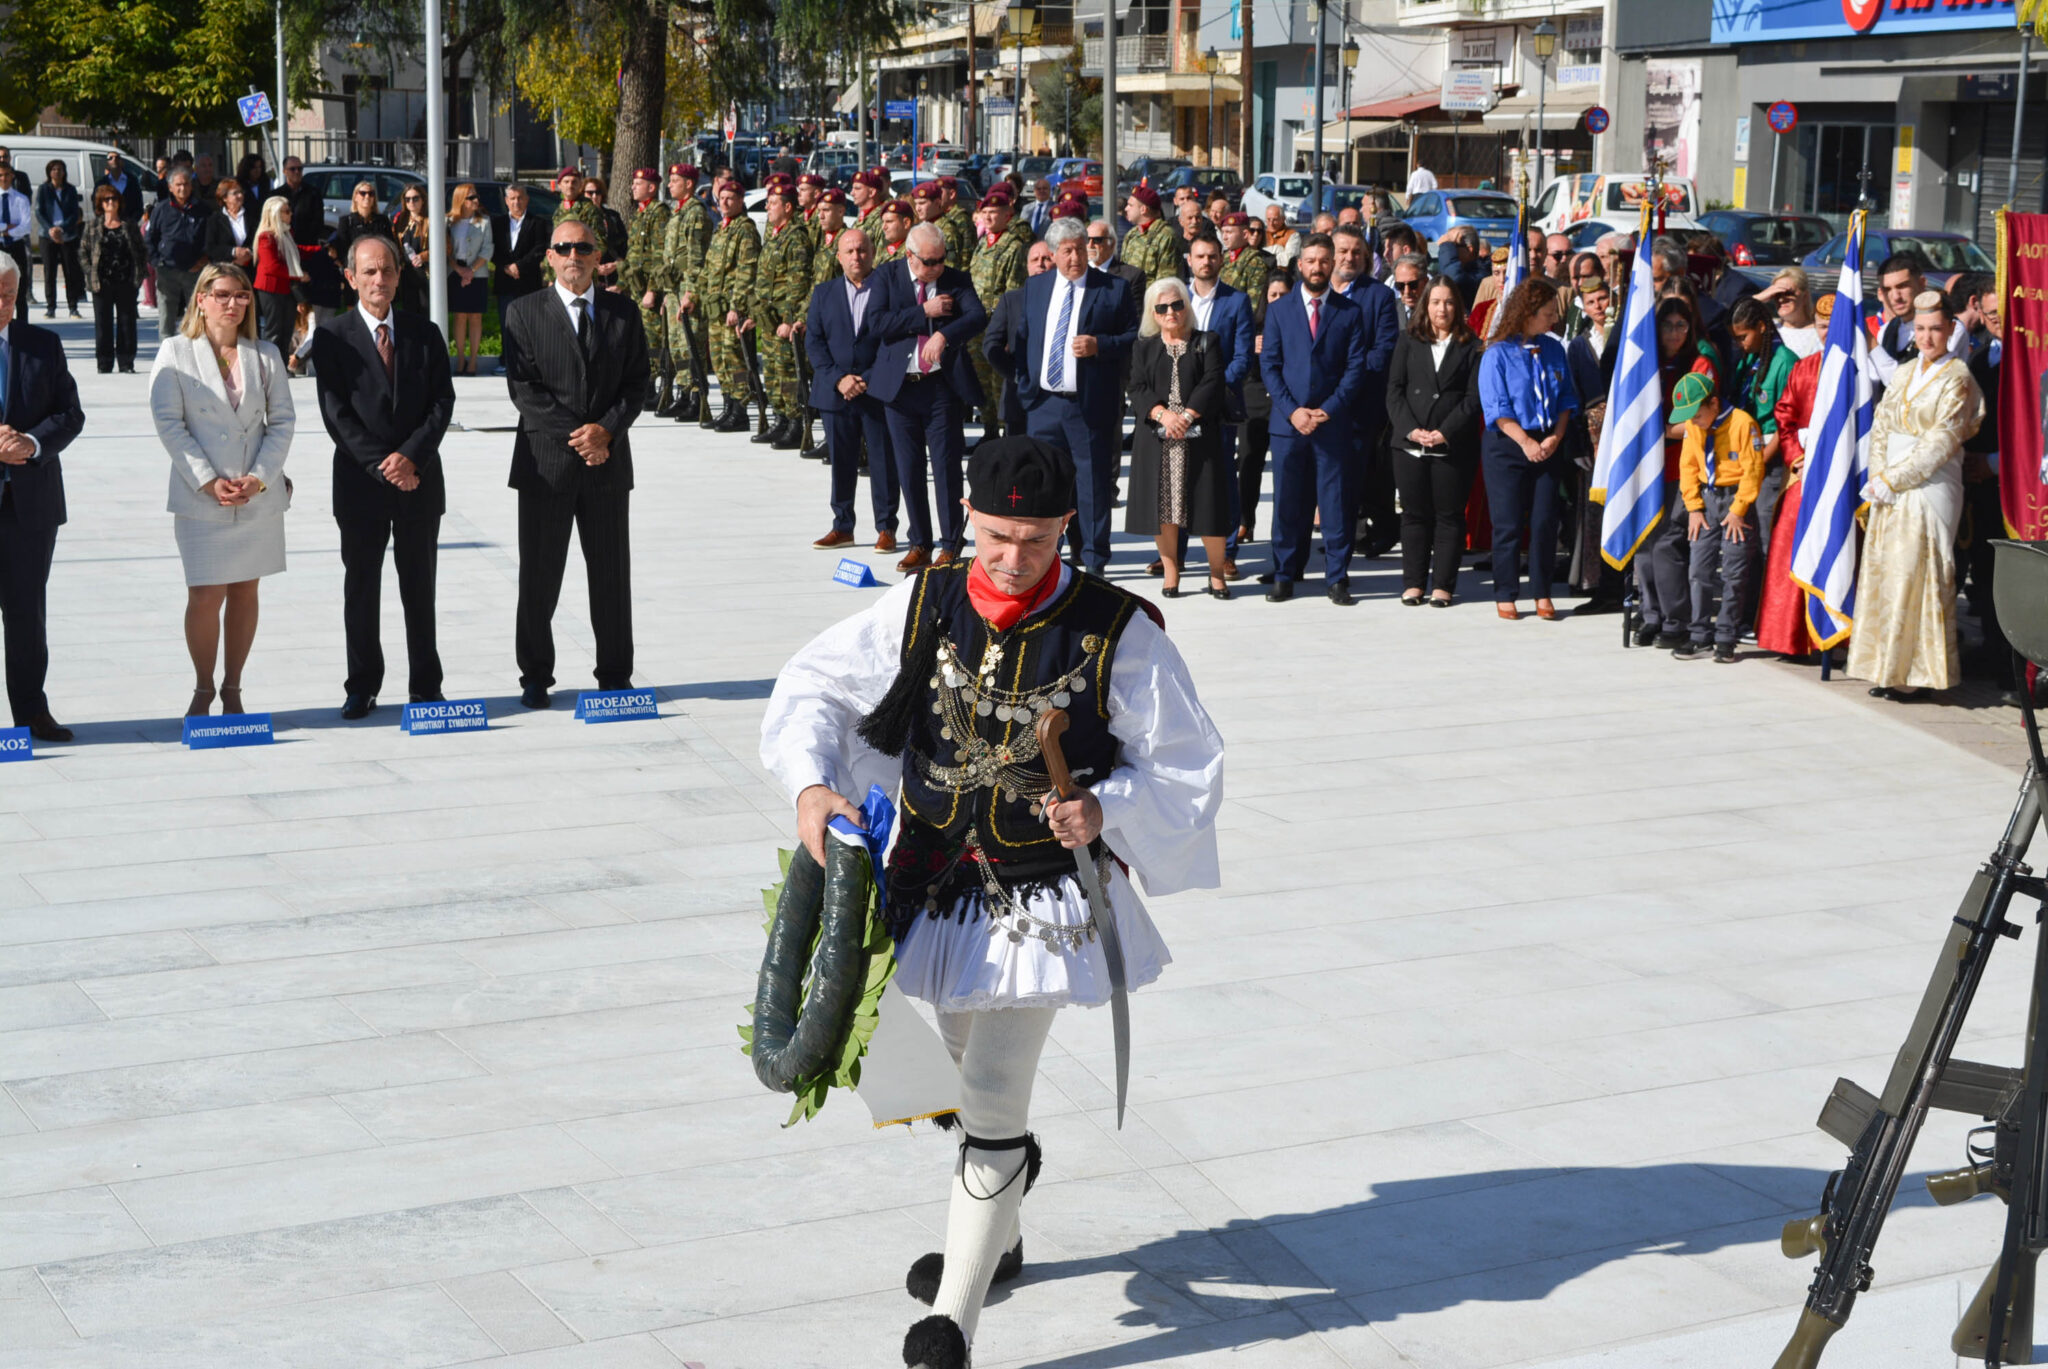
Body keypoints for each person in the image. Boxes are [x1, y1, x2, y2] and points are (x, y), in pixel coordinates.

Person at [760, 434, 1223, 1369]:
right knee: (962, 1070)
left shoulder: (1118, 630)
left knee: (995, 1091)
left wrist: (1105, 806)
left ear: (1068, 526)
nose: (1014, 559)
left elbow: (1185, 764)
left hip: (1044, 898)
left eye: (1038, 540)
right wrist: (811, 784)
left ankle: (953, 1326)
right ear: (968, 518)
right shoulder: (924, 600)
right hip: (932, 882)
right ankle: (999, 1226)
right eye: (998, 537)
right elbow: (816, 684)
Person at [500, 218, 648, 706]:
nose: (573, 256)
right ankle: (535, 675)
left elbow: (637, 384)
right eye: (563, 248)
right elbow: (524, 390)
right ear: (549, 256)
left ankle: (615, 674)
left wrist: (607, 431)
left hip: (608, 463)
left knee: (611, 576)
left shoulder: (623, 312)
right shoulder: (523, 312)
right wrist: (581, 437)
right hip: (546, 466)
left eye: (583, 248)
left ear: (596, 256)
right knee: (539, 578)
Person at [309, 235, 456, 720]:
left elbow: (441, 402)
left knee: (421, 587)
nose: (379, 279)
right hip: (361, 485)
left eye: (387, 270)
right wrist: (384, 465)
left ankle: (426, 687)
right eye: (369, 271)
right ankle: (362, 685)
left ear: (398, 274)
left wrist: (411, 458)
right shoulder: (332, 336)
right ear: (351, 277)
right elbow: (336, 414)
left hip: (419, 480)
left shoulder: (424, 333)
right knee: (362, 588)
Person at [147, 263, 295, 718]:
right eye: (223, 295)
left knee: (246, 592)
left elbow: (282, 422)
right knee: (205, 595)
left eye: (242, 295)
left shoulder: (265, 354)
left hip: (256, 496)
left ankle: (233, 689)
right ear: (201, 299)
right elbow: (169, 424)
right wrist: (208, 480)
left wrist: (260, 477)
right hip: (201, 497)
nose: (234, 304)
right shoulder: (175, 352)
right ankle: (203, 688)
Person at [1847, 289, 1986, 699]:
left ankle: (1919, 674)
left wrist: (1892, 479)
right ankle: (1887, 668)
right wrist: (1878, 475)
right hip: (1890, 484)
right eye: (1921, 329)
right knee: (1888, 569)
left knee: (1920, 571)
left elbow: (1942, 440)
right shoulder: (1906, 371)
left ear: (1950, 329)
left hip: (1930, 484)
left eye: (1935, 329)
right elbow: (1883, 424)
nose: (1927, 337)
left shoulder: (1958, 376)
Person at [990, 216, 1137, 576]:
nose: (1076, 257)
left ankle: (1095, 559)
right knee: (1045, 484)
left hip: (1088, 405)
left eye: (1081, 248)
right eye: (1068, 250)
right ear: (1054, 254)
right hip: (1044, 405)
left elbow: (1134, 336)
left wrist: (1100, 345)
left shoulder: (1112, 289)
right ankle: (1047, 555)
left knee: (1092, 485)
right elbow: (1023, 339)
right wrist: (1026, 383)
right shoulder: (1036, 287)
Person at [864, 222, 987, 570]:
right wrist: (923, 313)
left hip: (940, 388)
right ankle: (920, 542)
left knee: (946, 467)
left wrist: (945, 335)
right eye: (929, 262)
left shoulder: (955, 279)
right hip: (900, 389)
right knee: (909, 468)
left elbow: (977, 316)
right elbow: (876, 323)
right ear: (910, 256)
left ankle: (951, 544)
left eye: (940, 260)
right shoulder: (887, 276)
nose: (936, 268)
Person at [0, 255, 86, 742]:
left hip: (30, 504)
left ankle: (31, 712)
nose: (2, 304)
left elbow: (69, 414)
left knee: (27, 613)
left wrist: (30, 444)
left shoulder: (42, 345)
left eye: (9, 295)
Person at [1257, 233, 1369, 604]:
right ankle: (1285, 574)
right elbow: (1270, 366)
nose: (1317, 267)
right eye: (1311, 260)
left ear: (1332, 264)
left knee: (1334, 504)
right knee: (1287, 504)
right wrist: (1293, 411)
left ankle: (1337, 578)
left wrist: (1328, 409)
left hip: (1331, 423)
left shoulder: (1349, 312)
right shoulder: (1279, 310)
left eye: (1323, 260)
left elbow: (1355, 368)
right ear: (1299, 264)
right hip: (1288, 425)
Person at [1477, 278, 1578, 621]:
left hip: (1547, 443)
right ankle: (1505, 592)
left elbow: (1566, 399)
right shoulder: (1497, 354)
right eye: (1547, 313)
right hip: (1509, 444)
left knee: (1545, 520)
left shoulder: (1554, 349)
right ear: (1527, 313)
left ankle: (1542, 591)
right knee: (1507, 522)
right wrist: (1526, 442)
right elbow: (1497, 408)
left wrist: (1555, 438)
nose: (1553, 319)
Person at [1127, 277, 1230, 597]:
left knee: (1209, 508)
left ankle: (1217, 574)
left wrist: (1185, 416)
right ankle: (1171, 571)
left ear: (1186, 306)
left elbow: (1213, 381)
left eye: (1176, 305)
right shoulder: (1143, 346)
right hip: (1159, 441)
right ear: (1153, 313)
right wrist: (1163, 415)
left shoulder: (1207, 340)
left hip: (1199, 438)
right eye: (1162, 308)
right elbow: (1137, 387)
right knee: (1165, 510)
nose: (1170, 312)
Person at [1386, 276, 1482, 607]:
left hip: (1452, 445)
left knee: (1448, 516)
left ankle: (1443, 585)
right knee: (1414, 514)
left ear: (1458, 306)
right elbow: (1394, 391)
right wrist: (1411, 430)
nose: (1442, 309)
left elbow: (1473, 398)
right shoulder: (1408, 340)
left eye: (1449, 302)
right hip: (1410, 444)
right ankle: (1413, 583)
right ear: (1426, 305)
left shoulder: (1472, 345)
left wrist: (1445, 432)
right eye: (1436, 302)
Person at [1633, 296, 1719, 648]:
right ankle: (1650, 614)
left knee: (1667, 542)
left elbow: (1702, 417)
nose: (1674, 333)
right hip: (1645, 464)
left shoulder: (1699, 364)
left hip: (1680, 465)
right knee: (1643, 543)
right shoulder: (1645, 361)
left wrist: (1664, 431)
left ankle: (1675, 619)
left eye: (1681, 325)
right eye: (1667, 326)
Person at [806, 227, 899, 552]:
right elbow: (814, 343)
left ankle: (886, 528)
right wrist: (839, 379)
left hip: (877, 392)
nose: (856, 256)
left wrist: (867, 378)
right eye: (849, 251)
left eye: (862, 250)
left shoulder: (890, 291)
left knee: (883, 462)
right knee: (841, 463)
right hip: (836, 394)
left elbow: (894, 340)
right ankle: (842, 526)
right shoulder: (824, 293)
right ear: (839, 257)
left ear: (873, 254)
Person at [1756, 292, 1836, 660]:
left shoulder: (1859, 372)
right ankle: (1789, 636)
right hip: (1803, 476)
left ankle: (1834, 637)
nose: (1826, 332)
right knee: (1789, 542)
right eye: (1821, 326)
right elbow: (1784, 417)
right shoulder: (1804, 368)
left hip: (1842, 481)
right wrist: (1797, 458)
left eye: (1832, 325)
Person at [1674, 380, 1763, 663]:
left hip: (1736, 501)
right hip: (1707, 500)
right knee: (1698, 569)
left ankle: (1726, 637)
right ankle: (1699, 635)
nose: (1694, 422)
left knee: (1733, 573)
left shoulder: (1743, 424)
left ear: (1713, 403)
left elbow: (1753, 470)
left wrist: (1739, 510)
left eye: (1698, 415)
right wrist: (1693, 507)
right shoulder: (1693, 427)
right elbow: (1688, 466)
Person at [1729, 295, 1794, 560]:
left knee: (1767, 529)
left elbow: (1787, 422)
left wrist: (1762, 459)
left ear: (1762, 327)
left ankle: (1772, 584)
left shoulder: (1785, 360)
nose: (1740, 344)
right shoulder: (1748, 361)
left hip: (1770, 458)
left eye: (1743, 337)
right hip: (1745, 456)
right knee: (1746, 535)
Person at [968, 185, 1032, 444]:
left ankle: (1006, 435)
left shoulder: (1014, 246)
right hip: (976, 326)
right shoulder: (982, 243)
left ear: (1008, 215)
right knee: (981, 382)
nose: (988, 216)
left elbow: (1013, 293)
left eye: (994, 212)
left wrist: (1007, 332)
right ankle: (989, 429)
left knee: (999, 384)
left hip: (996, 326)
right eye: (985, 212)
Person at [701, 176, 762, 432]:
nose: (724, 203)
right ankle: (728, 405)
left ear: (740, 201)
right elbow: (709, 268)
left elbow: (747, 271)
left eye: (730, 199)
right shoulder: (721, 229)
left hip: (731, 308)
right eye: (722, 198)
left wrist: (737, 307)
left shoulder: (745, 229)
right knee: (719, 359)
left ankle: (740, 409)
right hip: (716, 307)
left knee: (734, 360)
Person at [1235, 271, 1290, 547]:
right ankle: (1245, 521)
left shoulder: (1299, 323)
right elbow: (1236, 358)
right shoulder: (1254, 325)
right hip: (1254, 395)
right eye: (1273, 295)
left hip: (1285, 399)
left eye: (1283, 294)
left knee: (1285, 467)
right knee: (1248, 462)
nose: (1278, 300)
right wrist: (1251, 347)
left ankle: (1283, 530)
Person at [657, 164, 712, 421]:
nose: (669, 185)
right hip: (674, 289)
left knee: (691, 344)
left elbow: (696, 258)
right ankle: (684, 391)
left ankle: (696, 396)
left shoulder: (695, 213)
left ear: (689, 184)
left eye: (675, 180)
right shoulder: (679, 212)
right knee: (677, 345)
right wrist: (668, 294)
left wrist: (690, 292)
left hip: (686, 289)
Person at [81, 185, 146, 374]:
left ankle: (126, 362)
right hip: (101, 283)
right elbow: (83, 251)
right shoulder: (92, 226)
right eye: (106, 199)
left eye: (114, 199)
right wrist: (89, 271)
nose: (111, 202)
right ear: (100, 203)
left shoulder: (129, 225)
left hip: (126, 281)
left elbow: (141, 251)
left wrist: (138, 275)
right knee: (103, 324)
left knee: (127, 323)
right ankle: (104, 362)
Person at [619, 169, 670, 404]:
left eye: (638, 183)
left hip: (649, 290)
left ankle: (656, 385)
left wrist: (653, 289)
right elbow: (633, 256)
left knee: (653, 340)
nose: (633, 187)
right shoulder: (640, 214)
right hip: (637, 288)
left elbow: (659, 255)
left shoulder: (658, 213)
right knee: (642, 338)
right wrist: (621, 284)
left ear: (651, 187)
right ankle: (647, 383)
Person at [145, 168, 211, 338]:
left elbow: (210, 238)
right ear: (170, 187)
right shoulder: (161, 209)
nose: (183, 188)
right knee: (166, 318)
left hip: (194, 271)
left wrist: (203, 260)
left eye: (186, 184)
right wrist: (157, 262)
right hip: (167, 271)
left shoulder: (202, 209)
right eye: (178, 184)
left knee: (197, 316)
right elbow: (150, 238)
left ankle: (197, 349)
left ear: (191, 185)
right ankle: (165, 351)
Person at [252, 196, 308, 360]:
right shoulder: (266, 237)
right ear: (275, 214)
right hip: (271, 289)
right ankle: (271, 367)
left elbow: (295, 251)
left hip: (285, 288)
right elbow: (272, 266)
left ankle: (282, 366)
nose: (291, 214)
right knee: (274, 332)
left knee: (286, 332)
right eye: (286, 211)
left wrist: (318, 250)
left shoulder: (286, 232)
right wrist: (298, 274)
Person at [445, 183, 492, 376]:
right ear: (460, 200)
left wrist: (470, 271)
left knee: (475, 316)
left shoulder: (484, 221)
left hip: (477, 273)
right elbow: (445, 249)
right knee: (459, 316)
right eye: (471, 197)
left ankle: (473, 360)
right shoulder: (448, 221)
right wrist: (459, 270)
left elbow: (488, 249)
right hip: (455, 272)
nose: (476, 200)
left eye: (476, 197)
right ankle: (460, 358)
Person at [33, 161, 84, 320]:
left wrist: (61, 228)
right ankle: (51, 307)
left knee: (70, 272)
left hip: (67, 235)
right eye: (53, 169)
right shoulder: (43, 189)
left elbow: (74, 213)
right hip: (47, 235)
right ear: (49, 172)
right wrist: (51, 229)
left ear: (64, 172)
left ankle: (73, 307)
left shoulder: (70, 189)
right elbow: (39, 211)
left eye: (60, 169)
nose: (57, 172)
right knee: (50, 272)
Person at [326, 182, 386, 311]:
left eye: (371, 193)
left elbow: (389, 245)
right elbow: (342, 248)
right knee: (354, 310)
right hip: (355, 272)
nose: (367, 196)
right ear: (355, 197)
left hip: (377, 272)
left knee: (376, 306)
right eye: (363, 193)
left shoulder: (382, 221)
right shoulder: (346, 221)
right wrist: (349, 268)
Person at [493, 182, 550, 307]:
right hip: (505, 283)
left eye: (520, 198)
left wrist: (519, 266)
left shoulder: (538, 223)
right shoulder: (497, 223)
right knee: (506, 318)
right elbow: (493, 249)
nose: (516, 202)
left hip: (529, 283)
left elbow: (539, 249)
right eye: (512, 198)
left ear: (527, 199)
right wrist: (507, 267)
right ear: (506, 201)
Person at [1755, 265, 1821, 360]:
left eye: (1788, 293)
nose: (1781, 299)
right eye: (1777, 294)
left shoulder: (1820, 332)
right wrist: (1758, 299)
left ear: (1805, 296)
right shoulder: (1768, 327)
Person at [390, 187, 435, 315]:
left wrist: (424, 256)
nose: (411, 202)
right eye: (408, 199)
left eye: (415, 198)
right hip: (407, 272)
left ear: (423, 200)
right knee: (409, 310)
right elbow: (396, 244)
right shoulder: (401, 220)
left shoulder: (431, 220)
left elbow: (445, 248)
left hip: (426, 272)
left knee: (425, 310)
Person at [204, 178, 260, 278]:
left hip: (250, 271)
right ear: (224, 198)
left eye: (241, 192)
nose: (240, 195)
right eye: (235, 193)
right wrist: (233, 252)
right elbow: (210, 248)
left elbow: (259, 239)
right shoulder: (214, 219)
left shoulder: (253, 215)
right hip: (225, 272)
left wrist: (248, 253)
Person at [1434, 226, 1484, 311]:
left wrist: (1446, 245)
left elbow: (1453, 278)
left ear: (1469, 250)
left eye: (1453, 246)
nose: (1450, 250)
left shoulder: (1480, 273)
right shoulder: (1448, 268)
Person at [0, 166, 29, 300]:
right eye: (1, 175)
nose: (4, 178)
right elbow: (19, 226)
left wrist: (5, 232)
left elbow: (26, 226)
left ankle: (21, 313)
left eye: (7, 175)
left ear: (12, 176)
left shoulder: (21, 199)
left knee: (20, 285)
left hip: (16, 245)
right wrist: (7, 226)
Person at [94, 150, 145, 225]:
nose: (114, 159)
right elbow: (96, 206)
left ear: (122, 162)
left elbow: (139, 206)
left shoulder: (132, 181)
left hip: (129, 226)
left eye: (117, 157)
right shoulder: (101, 183)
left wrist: (131, 222)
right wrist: (107, 223)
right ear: (106, 164)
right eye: (110, 158)